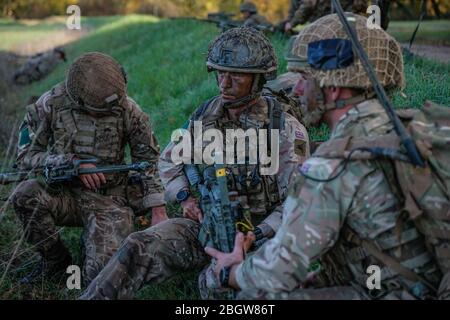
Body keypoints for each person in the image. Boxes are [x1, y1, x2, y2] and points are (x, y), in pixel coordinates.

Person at [205, 14, 445, 300]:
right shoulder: (416, 129)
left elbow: (278, 270)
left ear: (333, 86)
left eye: (304, 79)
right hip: (427, 283)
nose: (295, 90)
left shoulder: (331, 166)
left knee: (249, 299)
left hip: (396, 292)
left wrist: (229, 272)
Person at [79, 27, 310, 300]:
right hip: (206, 226)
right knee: (138, 244)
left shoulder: (283, 129)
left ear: (258, 79)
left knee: (219, 286)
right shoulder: (206, 115)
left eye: (235, 76)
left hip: (260, 238)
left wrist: (255, 235)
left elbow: (296, 204)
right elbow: (168, 162)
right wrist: (185, 197)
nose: (224, 84)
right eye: (220, 73)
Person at [11, 52, 168, 285]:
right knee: (24, 195)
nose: (108, 112)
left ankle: (94, 241)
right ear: (78, 100)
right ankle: (55, 262)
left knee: (100, 280)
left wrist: (158, 210)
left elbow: (148, 161)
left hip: (109, 201)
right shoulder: (49, 104)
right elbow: (25, 156)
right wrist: (71, 163)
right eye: (99, 111)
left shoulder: (129, 110)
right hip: (64, 195)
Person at [283, 0, 368, 33]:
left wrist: (291, 23)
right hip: (347, 24)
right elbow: (361, 5)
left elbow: (308, 6)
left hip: (322, 26)